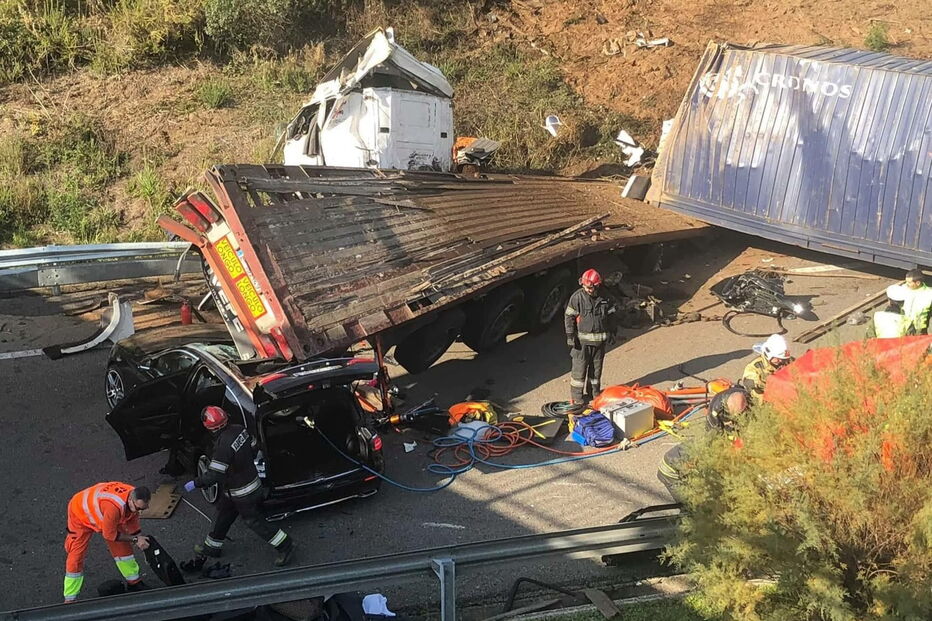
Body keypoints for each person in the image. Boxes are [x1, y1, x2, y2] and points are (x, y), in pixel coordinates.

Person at [183, 406, 295, 567]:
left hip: (242, 492)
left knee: (254, 521)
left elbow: (215, 474)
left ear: (209, 427)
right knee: (224, 514)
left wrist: (196, 482)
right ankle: (212, 547)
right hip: (247, 484)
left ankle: (286, 546)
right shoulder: (239, 430)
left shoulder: (222, 446)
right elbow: (255, 447)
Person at [63, 482, 152, 602]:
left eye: (143, 509)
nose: (140, 512)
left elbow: (132, 520)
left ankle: (134, 582)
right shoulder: (114, 507)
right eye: (138, 508)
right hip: (80, 514)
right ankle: (70, 599)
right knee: (76, 557)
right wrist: (135, 539)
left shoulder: (134, 498)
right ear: (130, 500)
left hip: (103, 514)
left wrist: (139, 538)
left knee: (123, 549)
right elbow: (109, 534)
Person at [564, 268, 618, 403]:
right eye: (585, 286)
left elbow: (612, 316)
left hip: (599, 344)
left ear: (597, 285)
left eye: (590, 287)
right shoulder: (577, 297)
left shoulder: (606, 297)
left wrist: (613, 332)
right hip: (581, 344)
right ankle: (577, 398)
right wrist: (570, 336)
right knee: (579, 373)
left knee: (596, 373)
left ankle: (594, 394)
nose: (587, 289)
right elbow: (569, 317)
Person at [872, 270, 932, 337]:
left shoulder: (929, 294)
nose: (906, 284)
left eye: (909, 282)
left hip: (920, 328)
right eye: (906, 281)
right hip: (905, 326)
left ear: (918, 283)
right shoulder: (904, 288)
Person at [740, 333, 792, 404]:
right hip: (765, 400)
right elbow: (751, 387)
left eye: (783, 359)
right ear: (769, 354)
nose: (781, 361)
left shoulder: (787, 361)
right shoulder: (754, 368)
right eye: (778, 359)